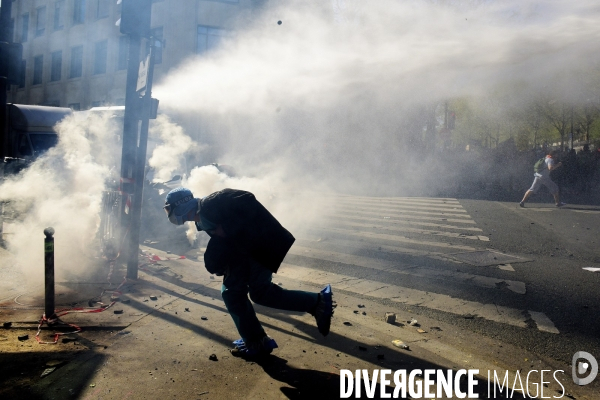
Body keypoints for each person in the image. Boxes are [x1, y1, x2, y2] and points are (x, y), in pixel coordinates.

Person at [163, 187, 334, 357]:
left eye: (169, 208)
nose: (170, 213)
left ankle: (260, 339)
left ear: (180, 205)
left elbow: (246, 198)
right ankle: (258, 339)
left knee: (244, 292)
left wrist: (228, 230)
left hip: (260, 247)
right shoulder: (202, 216)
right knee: (245, 292)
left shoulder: (210, 203)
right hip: (250, 250)